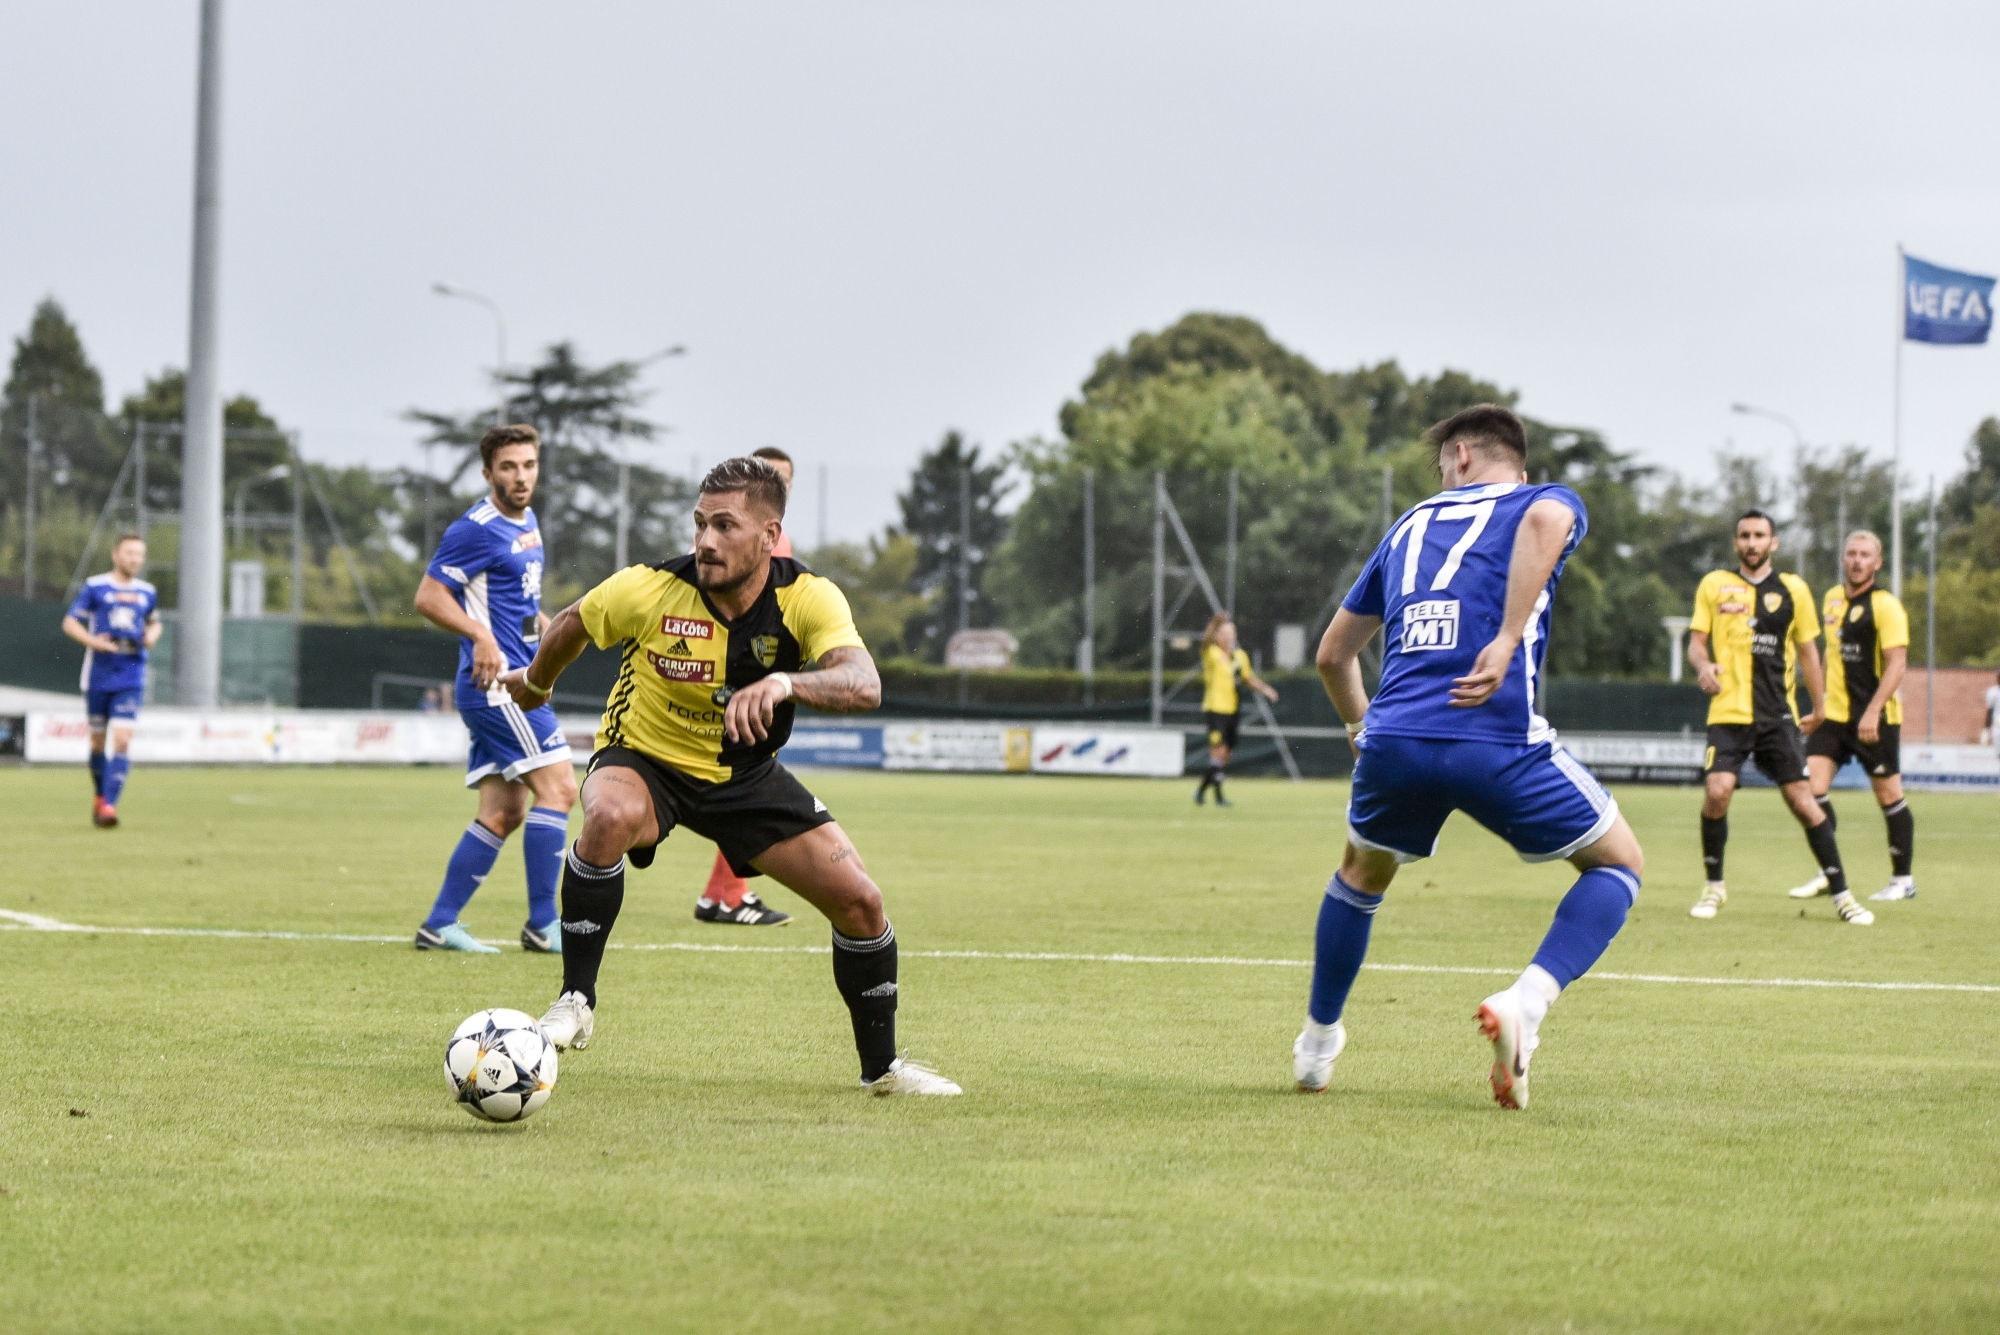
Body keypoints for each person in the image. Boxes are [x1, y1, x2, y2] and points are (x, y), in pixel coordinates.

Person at [501, 455, 960, 1095]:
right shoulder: (649, 588)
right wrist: (536, 682)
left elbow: (864, 682)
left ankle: (880, 1071)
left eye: (725, 526)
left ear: (769, 537)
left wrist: (784, 682)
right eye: (699, 524)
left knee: (861, 902)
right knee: (606, 815)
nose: (706, 541)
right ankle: (576, 1000)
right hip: (646, 758)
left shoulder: (807, 597)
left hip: (745, 777)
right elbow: (574, 621)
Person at [1299, 405, 1645, 1111]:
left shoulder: (1407, 527)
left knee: (1361, 874)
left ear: (1460, 456)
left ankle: (1315, 1044)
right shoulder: (1537, 501)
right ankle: (1529, 1001)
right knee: (1619, 863)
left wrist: (1363, 730)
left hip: (1395, 739)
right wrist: (1509, 635)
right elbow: (1549, 522)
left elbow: (1333, 654)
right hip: (1494, 737)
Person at [409, 424, 578, 954]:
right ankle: (543, 925)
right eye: (508, 467)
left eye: (528, 465)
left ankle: (439, 925)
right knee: (560, 790)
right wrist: (480, 634)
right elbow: (429, 596)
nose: (520, 475)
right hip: (497, 688)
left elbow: (516, 603)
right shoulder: (475, 527)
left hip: (518, 678)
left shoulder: (526, 521)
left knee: (504, 813)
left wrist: (551, 629)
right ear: (488, 473)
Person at [1685, 511, 1870, 925]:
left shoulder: (1794, 590)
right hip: (1727, 713)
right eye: (1745, 536)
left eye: (1759, 535)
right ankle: (1714, 887)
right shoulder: (1714, 585)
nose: (1752, 542)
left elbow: (1808, 652)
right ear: (1736, 543)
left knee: (1803, 801)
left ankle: (1842, 894)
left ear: (1774, 543)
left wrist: (1820, 706)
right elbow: (1697, 644)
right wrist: (1702, 665)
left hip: (1777, 716)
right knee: (1718, 790)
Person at [692, 445, 797, 926]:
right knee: (741, 791)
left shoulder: (782, 545)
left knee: (739, 788)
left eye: (786, 479)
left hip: (762, 692)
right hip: (736, 694)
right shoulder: (760, 544)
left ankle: (722, 894)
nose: (782, 484)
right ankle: (730, 897)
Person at [1786, 530, 1916, 904]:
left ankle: (1903, 880)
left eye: (1865, 555)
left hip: (1876, 718)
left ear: (1877, 563)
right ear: (1843, 559)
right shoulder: (1830, 600)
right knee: (1810, 789)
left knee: (1889, 795)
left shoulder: (1887, 606)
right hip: (1835, 718)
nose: (1857, 561)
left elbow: (1898, 664)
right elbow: (1830, 653)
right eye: (1851, 554)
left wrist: (1873, 711)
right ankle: (1828, 872)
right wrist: (1819, 704)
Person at [61, 533, 162, 828]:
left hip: (131, 674)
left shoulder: (147, 592)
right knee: (97, 743)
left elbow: (154, 622)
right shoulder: (96, 586)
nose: (135, 559)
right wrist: (93, 641)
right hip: (98, 675)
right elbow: (70, 621)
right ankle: (100, 793)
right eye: (129, 553)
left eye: (139, 555)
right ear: (115, 554)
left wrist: (152, 636)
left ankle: (108, 806)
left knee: (122, 740)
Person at [1192, 612, 1279, 806]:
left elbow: (1248, 679)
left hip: (1233, 710)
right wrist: (1215, 622)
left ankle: (1200, 791)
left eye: (1231, 632)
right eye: (1224, 632)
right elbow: (1205, 641)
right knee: (1218, 752)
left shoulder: (1240, 657)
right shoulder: (1211, 653)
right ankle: (1218, 797)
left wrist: (1266, 690)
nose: (1228, 636)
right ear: (1217, 636)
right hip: (1215, 709)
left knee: (1225, 756)